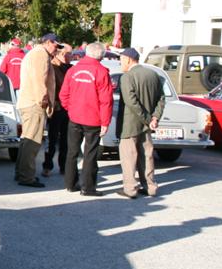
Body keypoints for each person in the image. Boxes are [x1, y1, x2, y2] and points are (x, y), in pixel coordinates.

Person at [59, 41, 114, 197]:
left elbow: (64, 94)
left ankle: (70, 184)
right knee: (90, 154)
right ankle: (88, 188)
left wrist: (71, 109)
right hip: (93, 119)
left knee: (72, 151)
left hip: (75, 117)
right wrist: (105, 122)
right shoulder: (102, 72)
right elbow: (106, 100)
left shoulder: (73, 70)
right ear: (102, 56)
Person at [116, 48, 165, 198]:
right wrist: (155, 117)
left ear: (129, 59)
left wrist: (148, 119)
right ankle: (150, 187)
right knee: (147, 156)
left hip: (129, 124)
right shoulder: (153, 75)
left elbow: (131, 102)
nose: (120, 63)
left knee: (129, 157)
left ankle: (130, 189)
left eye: (121, 60)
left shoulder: (127, 77)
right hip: (147, 125)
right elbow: (161, 99)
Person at [14, 33, 59, 188]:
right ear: (47, 42)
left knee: (27, 140)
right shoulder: (41, 55)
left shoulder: (35, 53)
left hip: (28, 101)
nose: (57, 49)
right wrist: (43, 101)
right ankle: (27, 176)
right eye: (56, 45)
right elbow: (40, 79)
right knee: (32, 142)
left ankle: (21, 172)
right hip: (34, 103)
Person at [42, 43, 72, 176]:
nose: (69, 57)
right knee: (52, 139)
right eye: (66, 54)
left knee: (66, 139)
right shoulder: (53, 67)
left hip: (68, 108)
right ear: (59, 54)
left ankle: (63, 166)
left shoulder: (71, 68)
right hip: (57, 107)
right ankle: (47, 166)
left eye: (70, 54)